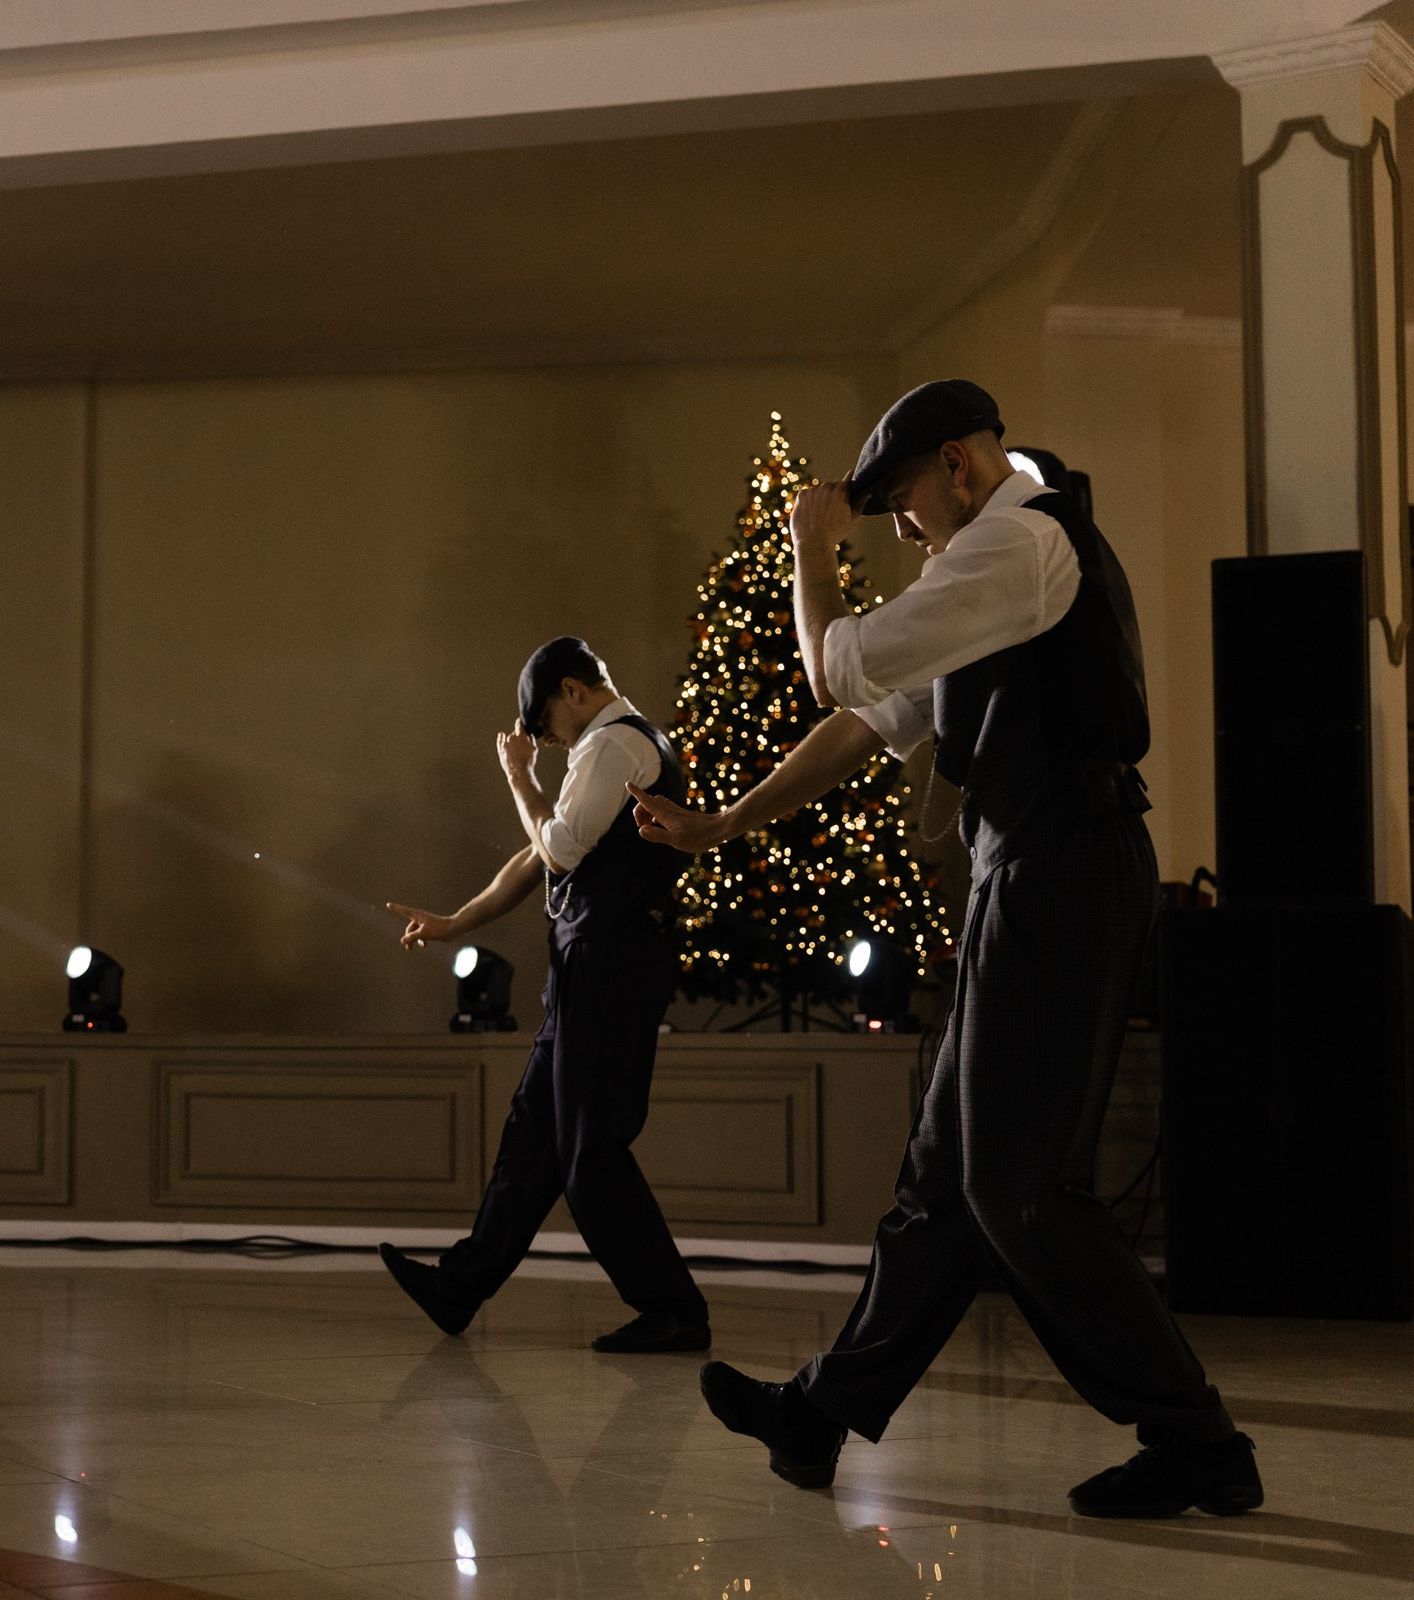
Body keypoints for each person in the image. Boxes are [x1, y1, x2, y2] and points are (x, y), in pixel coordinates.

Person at [631, 380, 1258, 1518]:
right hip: (1024, 871)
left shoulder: (1020, 545)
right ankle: (818, 1417)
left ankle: (1199, 1437)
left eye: (905, 505)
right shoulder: (983, 572)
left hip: (1066, 871)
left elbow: (835, 666)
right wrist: (727, 823)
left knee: (1022, 1192)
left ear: (958, 468)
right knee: (944, 1185)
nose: (905, 531)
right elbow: (867, 719)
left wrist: (809, 550)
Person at [378, 637, 710, 1353]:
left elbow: (554, 846)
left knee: (591, 1152)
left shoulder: (613, 745)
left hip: (612, 965)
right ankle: (458, 1288)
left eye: (544, 722)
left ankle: (674, 1308)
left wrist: (516, 775)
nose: (546, 740)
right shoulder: (604, 749)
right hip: (586, 967)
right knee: (533, 1136)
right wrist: (455, 921)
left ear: (573, 689)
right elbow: (538, 857)